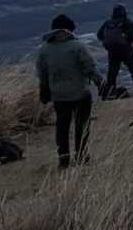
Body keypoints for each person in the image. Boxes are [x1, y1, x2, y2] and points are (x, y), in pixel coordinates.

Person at [34, 14, 101, 168]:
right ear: (69, 29)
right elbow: (89, 68)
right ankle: (81, 156)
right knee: (82, 126)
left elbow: (42, 74)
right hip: (80, 93)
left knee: (62, 127)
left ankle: (63, 159)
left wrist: (44, 90)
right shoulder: (77, 46)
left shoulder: (44, 50)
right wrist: (100, 82)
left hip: (59, 95)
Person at [95, 4, 133, 97]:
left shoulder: (108, 22)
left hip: (112, 51)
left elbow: (99, 35)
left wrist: (108, 42)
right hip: (125, 50)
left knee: (112, 72)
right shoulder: (127, 22)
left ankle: (110, 90)